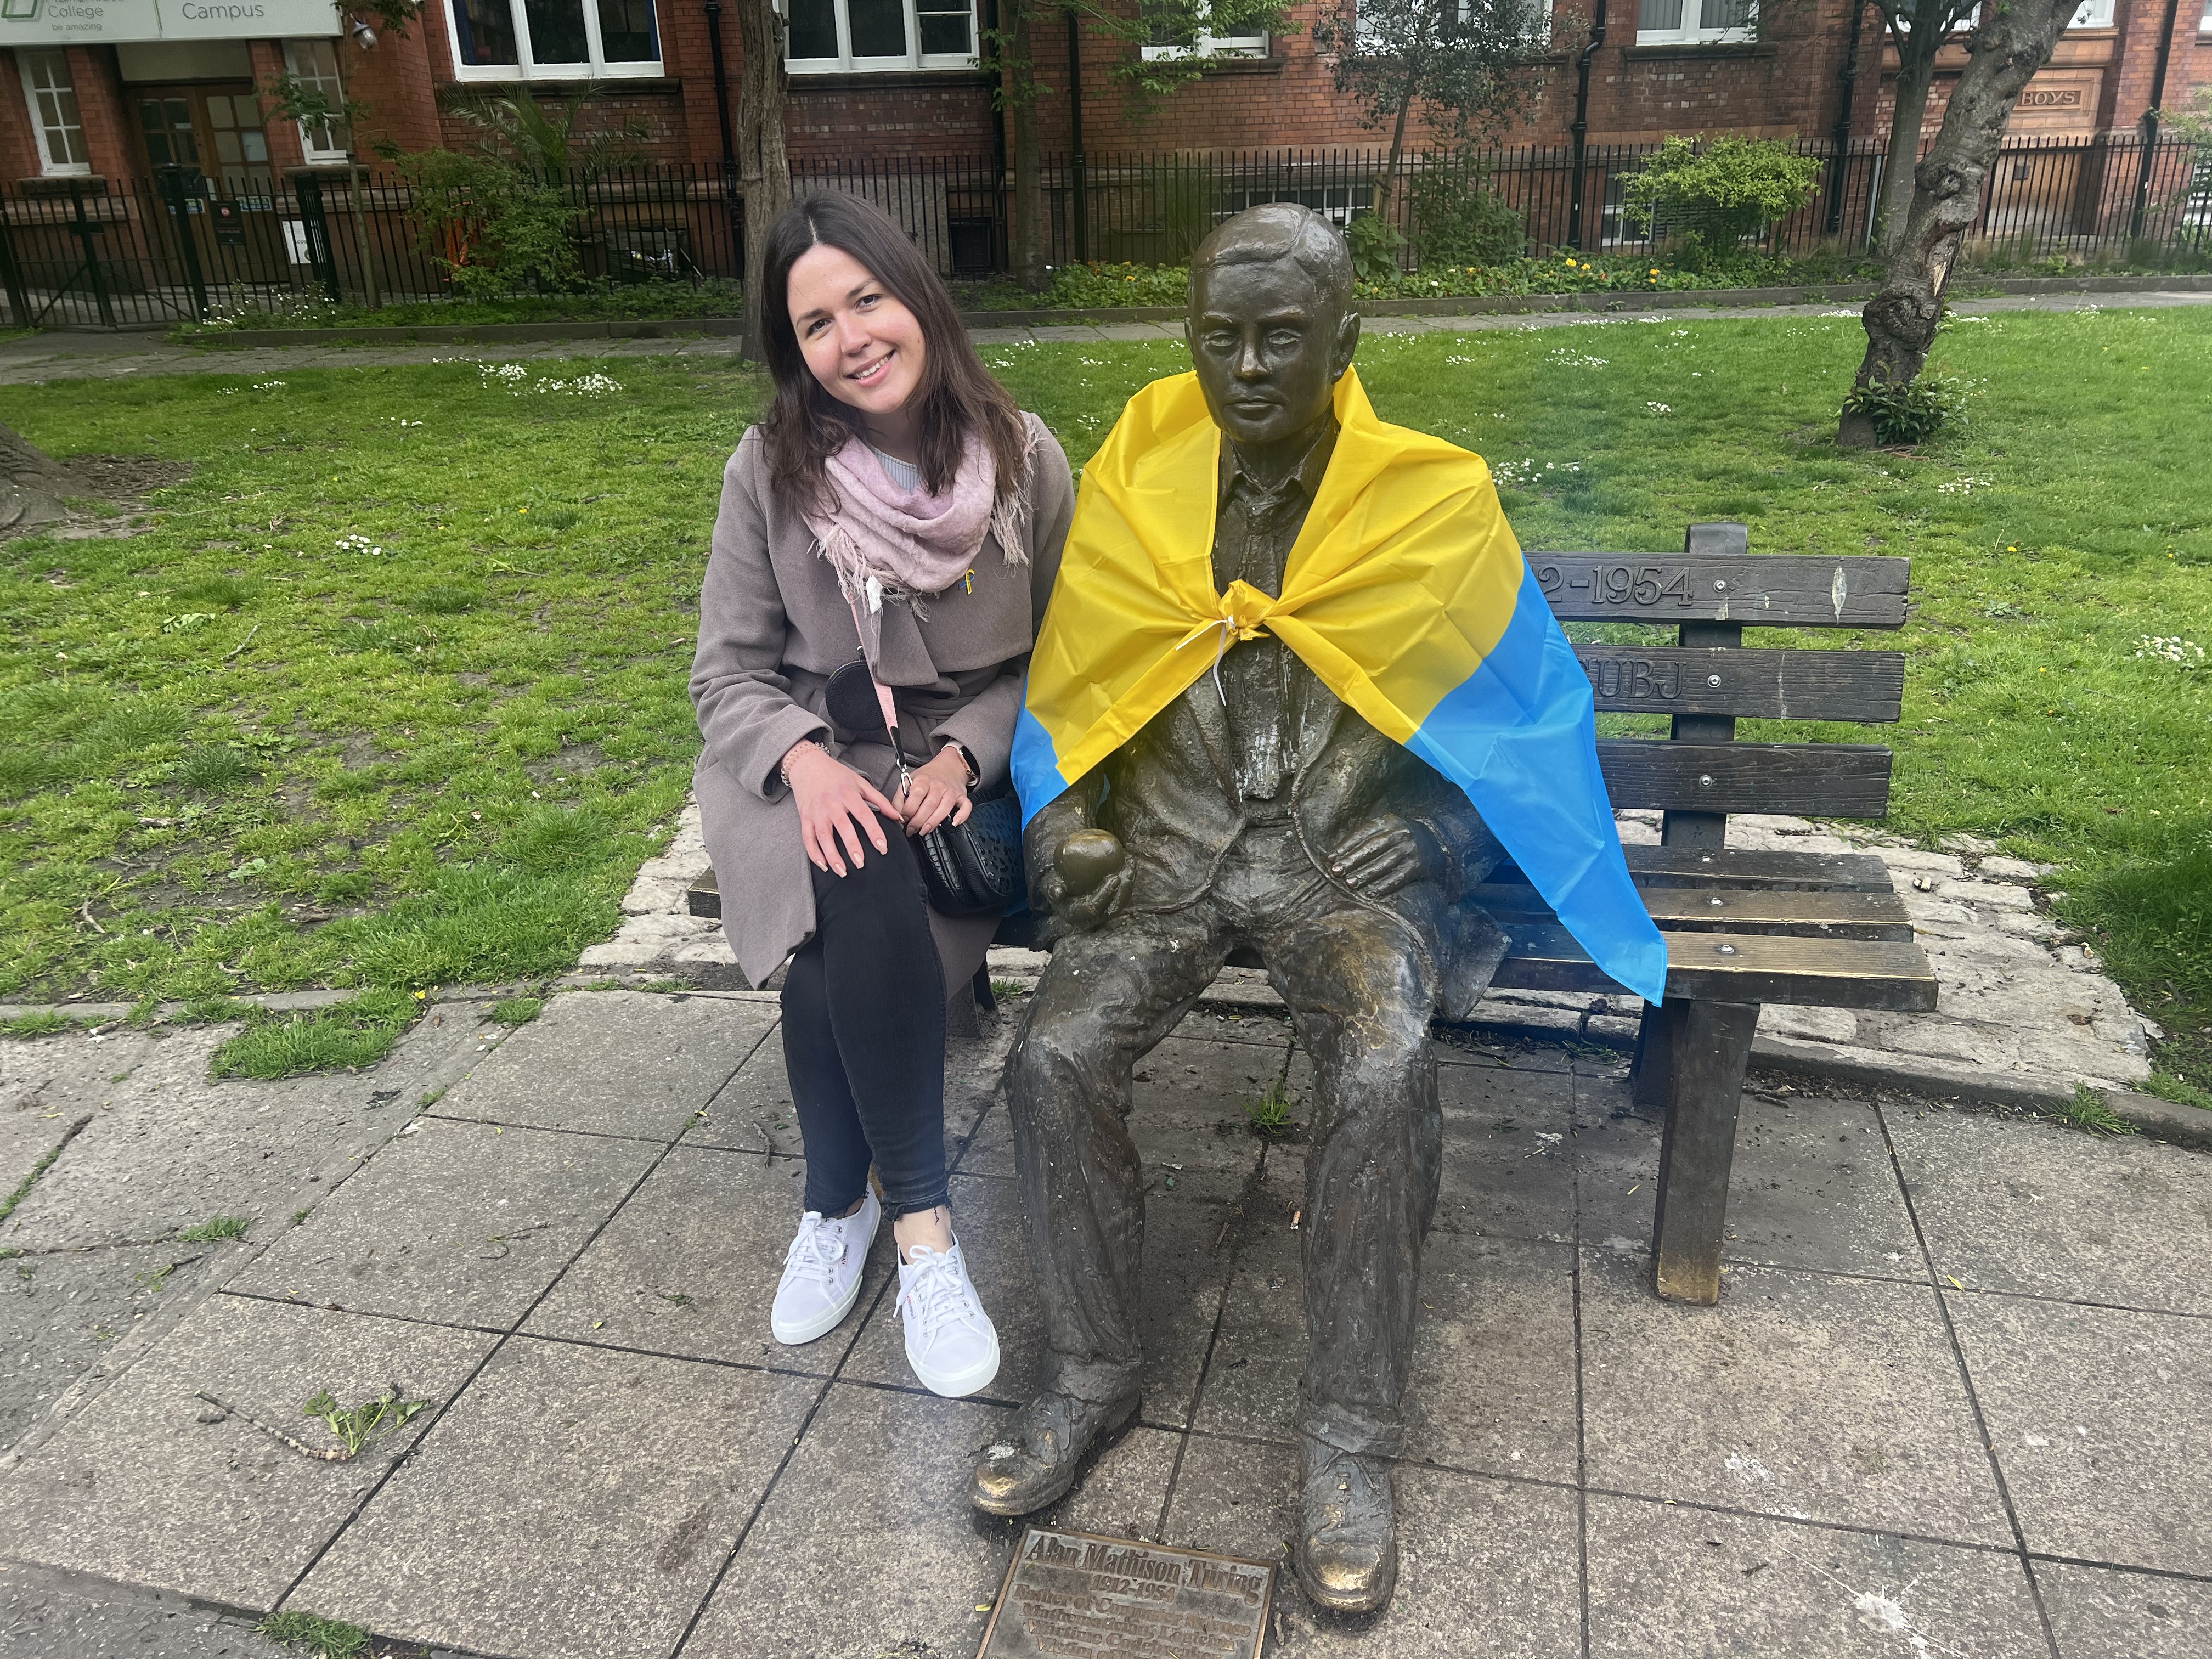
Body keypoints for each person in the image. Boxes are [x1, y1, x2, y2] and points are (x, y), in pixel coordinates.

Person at [980, 205, 1665, 1611]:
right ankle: (1092, 1369)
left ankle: (1349, 1437)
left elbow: (1518, 728)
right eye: (1219, 336)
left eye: (1280, 337)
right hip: (1168, 859)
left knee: (1386, 1057)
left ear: (1344, 344)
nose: (1244, 367)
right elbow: (1073, 693)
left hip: (1345, 868)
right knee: (1053, 1056)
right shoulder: (1135, 480)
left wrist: (1426, 833)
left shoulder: (1432, 502)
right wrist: (1063, 829)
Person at [690, 193, 1074, 1399]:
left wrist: (967, 752)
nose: (850, 338)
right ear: (791, 348)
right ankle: (922, 1233)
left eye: (866, 299)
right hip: (799, 764)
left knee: (840, 949)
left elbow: (1062, 659)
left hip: (962, 780)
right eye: (815, 322)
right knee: (848, 863)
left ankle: (834, 1206)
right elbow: (729, 671)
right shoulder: (771, 470)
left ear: (917, 296)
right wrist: (803, 762)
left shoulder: (1026, 458)